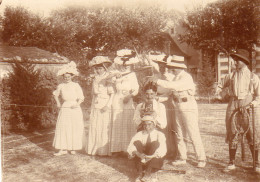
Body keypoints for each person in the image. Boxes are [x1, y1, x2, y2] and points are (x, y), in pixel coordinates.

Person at [151, 55, 207, 168]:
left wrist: (158, 81)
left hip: (188, 105)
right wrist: (157, 98)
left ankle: (201, 158)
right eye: (171, 67)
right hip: (177, 105)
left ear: (180, 67)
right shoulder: (176, 77)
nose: (172, 69)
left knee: (193, 132)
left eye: (174, 67)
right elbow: (169, 93)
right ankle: (182, 157)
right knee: (179, 133)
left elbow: (173, 86)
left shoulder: (186, 77)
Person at [218, 49, 260, 172]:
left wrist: (251, 104)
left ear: (244, 62)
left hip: (248, 105)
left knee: (252, 132)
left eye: (237, 60)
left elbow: (258, 95)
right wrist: (221, 94)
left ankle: (256, 163)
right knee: (232, 132)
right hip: (233, 104)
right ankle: (231, 162)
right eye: (235, 60)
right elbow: (219, 86)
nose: (235, 62)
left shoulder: (253, 77)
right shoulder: (230, 76)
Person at [149, 51, 178, 159]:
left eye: (164, 65)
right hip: (157, 103)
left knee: (169, 127)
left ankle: (172, 151)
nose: (162, 67)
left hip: (167, 103)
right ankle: (159, 150)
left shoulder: (170, 77)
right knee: (158, 126)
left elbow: (171, 94)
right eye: (160, 65)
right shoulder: (156, 75)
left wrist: (160, 98)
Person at [110, 49, 140, 155]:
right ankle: (117, 149)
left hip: (128, 99)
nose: (125, 67)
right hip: (117, 99)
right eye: (123, 65)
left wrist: (130, 95)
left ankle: (128, 149)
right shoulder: (115, 74)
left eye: (128, 65)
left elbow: (136, 88)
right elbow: (109, 80)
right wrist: (115, 77)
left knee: (127, 124)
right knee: (117, 124)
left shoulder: (132, 75)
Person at [53, 61, 84, 156]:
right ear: (63, 77)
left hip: (74, 107)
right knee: (64, 127)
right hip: (65, 106)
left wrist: (77, 104)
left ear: (71, 77)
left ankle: (73, 148)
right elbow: (55, 95)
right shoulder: (61, 86)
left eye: (68, 77)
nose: (67, 78)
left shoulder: (76, 85)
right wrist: (58, 103)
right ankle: (63, 148)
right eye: (65, 77)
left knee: (74, 127)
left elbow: (81, 97)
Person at [86, 56, 114, 156]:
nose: (99, 70)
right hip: (96, 104)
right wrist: (92, 105)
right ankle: (94, 149)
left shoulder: (108, 78)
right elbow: (93, 93)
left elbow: (112, 93)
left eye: (100, 68)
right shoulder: (95, 78)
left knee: (104, 126)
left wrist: (107, 105)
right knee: (95, 126)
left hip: (105, 104)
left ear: (104, 68)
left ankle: (104, 150)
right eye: (97, 68)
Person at [127, 115, 167, 182]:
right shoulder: (139, 134)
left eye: (149, 124)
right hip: (142, 157)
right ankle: (140, 173)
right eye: (144, 125)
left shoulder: (159, 134)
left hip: (153, 158)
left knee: (155, 143)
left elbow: (163, 149)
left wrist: (151, 156)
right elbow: (130, 146)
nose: (147, 127)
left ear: (154, 125)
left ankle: (148, 173)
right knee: (137, 142)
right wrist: (138, 153)